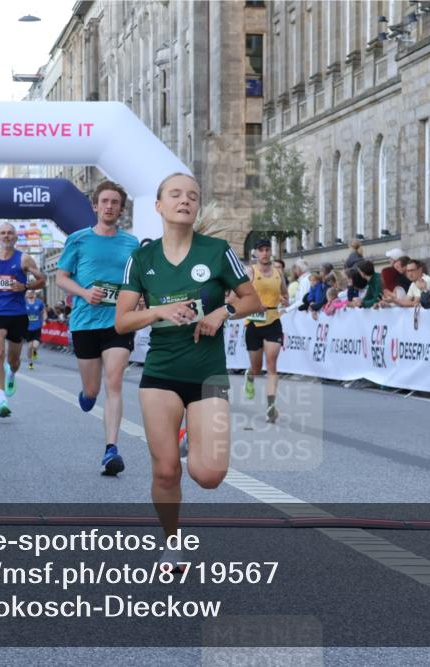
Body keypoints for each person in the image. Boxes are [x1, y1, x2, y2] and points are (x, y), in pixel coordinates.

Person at [114, 173, 261, 570]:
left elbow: (253, 299)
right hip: (161, 374)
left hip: (208, 374)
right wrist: (158, 310)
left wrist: (221, 312)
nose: (185, 200)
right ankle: (172, 544)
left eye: (192, 196)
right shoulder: (142, 259)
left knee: (208, 474)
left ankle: (188, 435)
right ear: (158, 206)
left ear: (197, 208)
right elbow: (122, 322)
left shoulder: (216, 251)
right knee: (165, 471)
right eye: (175, 194)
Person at [55, 180, 140, 473]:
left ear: (121, 208)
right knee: (92, 390)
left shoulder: (131, 243)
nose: (109, 206)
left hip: (119, 322)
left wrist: (139, 299)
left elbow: (137, 279)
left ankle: (111, 450)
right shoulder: (78, 239)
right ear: (95, 206)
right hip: (85, 322)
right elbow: (61, 277)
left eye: (115, 202)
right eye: (104, 201)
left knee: (114, 383)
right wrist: (83, 292)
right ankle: (87, 394)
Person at [0, 223, 47, 418]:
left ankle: (12, 374)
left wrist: (25, 286)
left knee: (13, 360)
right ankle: (1, 399)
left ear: (15, 238)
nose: (6, 236)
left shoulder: (23, 258)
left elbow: (42, 280)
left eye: (10, 233)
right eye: (3, 233)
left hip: (17, 314)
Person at [241, 238, 289, 423]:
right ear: (255, 253)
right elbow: (240, 294)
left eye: (267, 249)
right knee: (256, 366)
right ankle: (250, 375)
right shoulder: (250, 272)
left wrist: (285, 300)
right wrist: (253, 304)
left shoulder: (278, 273)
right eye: (261, 250)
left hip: (273, 321)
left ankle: (271, 405)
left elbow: (285, 294)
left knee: (271, 364)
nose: (265, 253)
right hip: (253, 322)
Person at [24, 290, 47, 370]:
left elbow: (44, 312)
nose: (31, 294)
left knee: (35, 345)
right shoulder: (24, 303)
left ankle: (35, 351)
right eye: (29, 293)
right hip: (27, 328)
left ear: (34, 294)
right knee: (29, 347)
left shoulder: (39, 302)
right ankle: (30, 362)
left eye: (32, 293)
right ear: (26, 294)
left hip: (37, 326)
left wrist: (44, 320)